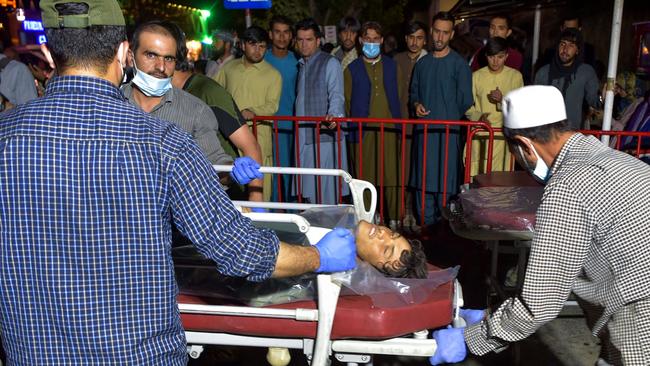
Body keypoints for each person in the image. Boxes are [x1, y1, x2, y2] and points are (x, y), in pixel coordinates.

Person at [0, 0, 358, 364]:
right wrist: (318, 256)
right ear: (126, 53)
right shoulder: (162, 143)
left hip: (33, 351)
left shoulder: (5, 138)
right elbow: (237, 249)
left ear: (49, 50)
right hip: (136, 352)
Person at [429, 85, 650, 365]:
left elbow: (539, 304)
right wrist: (492, 316)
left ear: (524, 146)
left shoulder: (568, 186)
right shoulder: (620, 161)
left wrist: (471, 338)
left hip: (641, 324)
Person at [123, 20, 233, 170]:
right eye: (151, 55)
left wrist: (232, 170)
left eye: (168, 58)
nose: (161, 67)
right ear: (130, 57)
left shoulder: (196, 111)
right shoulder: (109, 103)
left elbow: (216, 162)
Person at [170, 26, 264, 202]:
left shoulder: (208, 92)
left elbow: (249, 145)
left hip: (224, 195)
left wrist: (256, 198)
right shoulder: (159, 97)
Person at [409, 11, 472, 225]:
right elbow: (414, 93)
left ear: (452, 34)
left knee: (446, 184)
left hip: (448, 136)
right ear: (431, 31)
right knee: (422, 182)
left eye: (445, 33)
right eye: (436, 31)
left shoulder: (460, 65)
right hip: (425, 136)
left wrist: (447, 113)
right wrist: (416, 104)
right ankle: (425, 234)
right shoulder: (422, 63)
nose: (439, 37)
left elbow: (466, 101)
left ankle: (444, 236)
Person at [344, 21, 402, 227]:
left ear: (382, 40)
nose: (371, 42)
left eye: (375, 39)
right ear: (360, 41)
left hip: (389, 129)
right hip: (363, 132)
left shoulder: (392, 65)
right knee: (365, 176)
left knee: (392, 175)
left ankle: (395, 220)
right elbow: (348, 101)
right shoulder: (352, 69)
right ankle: (367, 220)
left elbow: (400, 94)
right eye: (367, 39)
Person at [216, 25, 282, 202]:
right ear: (243, 45)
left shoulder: (273, 75)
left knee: (258, 190)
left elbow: (272, 106)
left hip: (258, 139)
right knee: (230, 190)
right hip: (229, 140)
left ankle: (261, 228)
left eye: (262, 46)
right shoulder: (228, 69)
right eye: (253, 45)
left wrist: (253, 112)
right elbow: (215, 94)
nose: (258, 50)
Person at [294, 18, 349, 204]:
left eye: (308, 39)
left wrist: (334, 116)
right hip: (303, 135)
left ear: (318, 41)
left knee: (326, 192)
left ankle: (329, 231)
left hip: (323, 136)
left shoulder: (330, 63)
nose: (304, 44)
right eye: (300, 39)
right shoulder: (302, 64)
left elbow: (337, 95)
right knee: (309, 192)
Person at [465, 37, 523, 176]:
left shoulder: (515, 76)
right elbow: (466, 105)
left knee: (500, 184)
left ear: (506, 56)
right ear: (486, 56)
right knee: (477, 181)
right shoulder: (476, 76)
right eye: (492, 57)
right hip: (480, 134)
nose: (495, 61)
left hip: (503, 139)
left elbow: (520, 108)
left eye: (500, 57)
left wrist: (502, 100)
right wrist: (478, 116)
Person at [534, 28, 600, 130]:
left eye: (571, 45)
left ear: (578, 50)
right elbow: (535, 103)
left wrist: (604, 95)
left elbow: (594, 101)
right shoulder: (543, 72)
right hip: (546, 134)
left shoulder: (585, 72)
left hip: (572, 134)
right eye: (562, 44)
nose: (565, 49)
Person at [265, 15, 299, 201]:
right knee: (271, 172)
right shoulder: (263, 60)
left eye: (286, 32)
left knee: (290, 173)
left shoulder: (298, 61)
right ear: (270, 34)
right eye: (277, 32)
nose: (282, 37)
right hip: (267, 125)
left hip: (291, 126)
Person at [395, 21, 428, 119]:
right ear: (406, 38)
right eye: (411, 37)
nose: (414, 42)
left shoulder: (430, 62)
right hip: (398, 118)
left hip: (421, 119)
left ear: (425, 41)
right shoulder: (396, 60)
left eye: (419, 38)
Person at [0, 40, 38, 110]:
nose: (9, 61)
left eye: (10, 58)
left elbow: (30, 110)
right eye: (7, 58)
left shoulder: (19, 70)